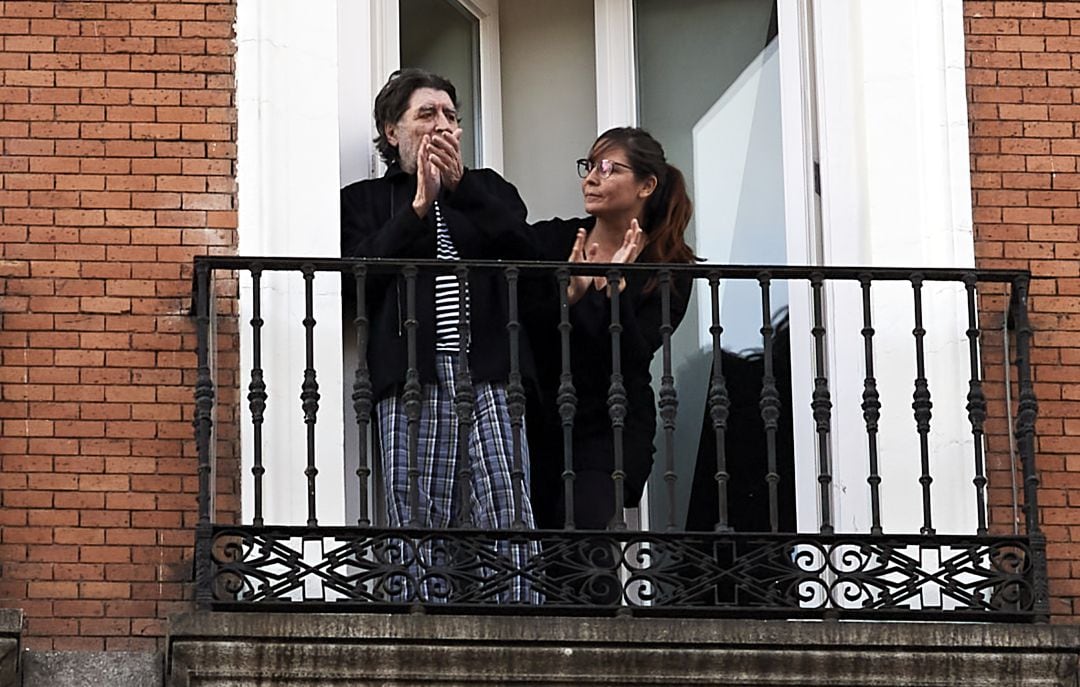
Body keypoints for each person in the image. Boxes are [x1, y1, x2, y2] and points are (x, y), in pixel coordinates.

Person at [340, 68, 540, 603]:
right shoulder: (363, 201)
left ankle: (519, 633)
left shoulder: (490, 191)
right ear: (391, 130)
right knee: (421, 513)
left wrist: (462, 188)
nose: (442, 125)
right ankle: (424, 626)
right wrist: (418, 208)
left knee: (506, 505)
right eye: (426, 114)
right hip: (413, 377)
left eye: (450, 116)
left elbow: (524, 251)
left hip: (490, 374)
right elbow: (355, 280)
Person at [526, 127, 697, 532]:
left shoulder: (668, 269)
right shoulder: (552, 241)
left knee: (584, 550)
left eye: (608, 168)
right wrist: (567, 298)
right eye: (589, 166)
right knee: (533, 556)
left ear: (646, 185)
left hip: (610, 430)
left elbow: (635, 355)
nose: (591, 178)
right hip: (539, 423)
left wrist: (614, 289)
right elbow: (520, 329)